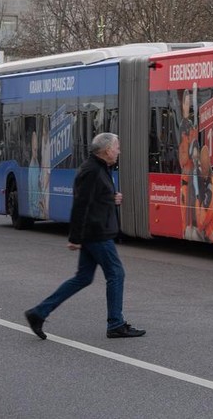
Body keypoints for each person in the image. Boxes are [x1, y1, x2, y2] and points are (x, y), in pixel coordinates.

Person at [24, 132, 145, 341]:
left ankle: (39, 312)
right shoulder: (91, 171)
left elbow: (95, 197)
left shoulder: (99, 167)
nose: (119, 151)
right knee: (116, 274)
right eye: (117, 147)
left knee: (83, 278)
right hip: (96, 233)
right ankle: (115, 324)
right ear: (107, 150)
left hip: (94, 231)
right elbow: (81, 204)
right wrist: (75, 237)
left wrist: (111, 198)